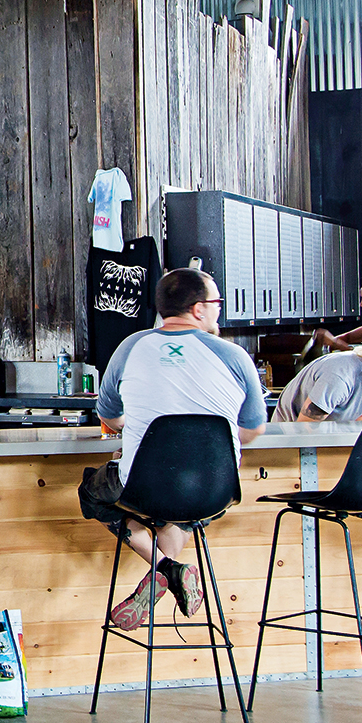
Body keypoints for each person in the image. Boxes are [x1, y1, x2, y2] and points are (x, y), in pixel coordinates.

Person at [85, 270, 266, 630]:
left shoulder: (131, 346)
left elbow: (109, 416)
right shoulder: (235, 355)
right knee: (180, 513)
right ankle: (169, 569)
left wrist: (145, 431)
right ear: (198, 309)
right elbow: (252, 429)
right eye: (216, 304)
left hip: (142, 487)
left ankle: (165, 570)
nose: (218, 311)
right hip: (216, 489)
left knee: (93, 492)